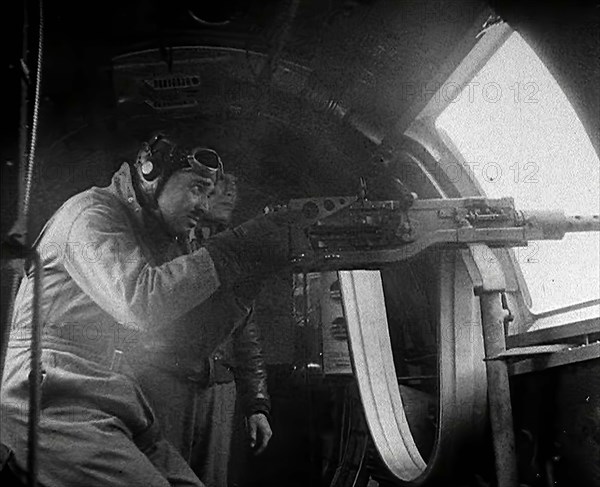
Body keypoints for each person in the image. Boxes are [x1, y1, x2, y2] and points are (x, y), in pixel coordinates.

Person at [0, 133, 297, 487]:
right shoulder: (92, 215)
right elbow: (139, 304)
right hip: (51, 399)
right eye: (197, 188)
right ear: (150, 172)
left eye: (209, 193)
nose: (204, 204)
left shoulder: (146, 234)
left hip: (110, 394)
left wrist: (246, 284)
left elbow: (188, 339)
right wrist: (232, 252)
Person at [134, 169, 273, 487]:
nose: (230, 195)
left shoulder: (233, 251)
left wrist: (257, 404)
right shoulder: (160, 240)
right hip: (165, 384)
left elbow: (246, 334)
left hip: (218, 389)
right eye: (218, 188)